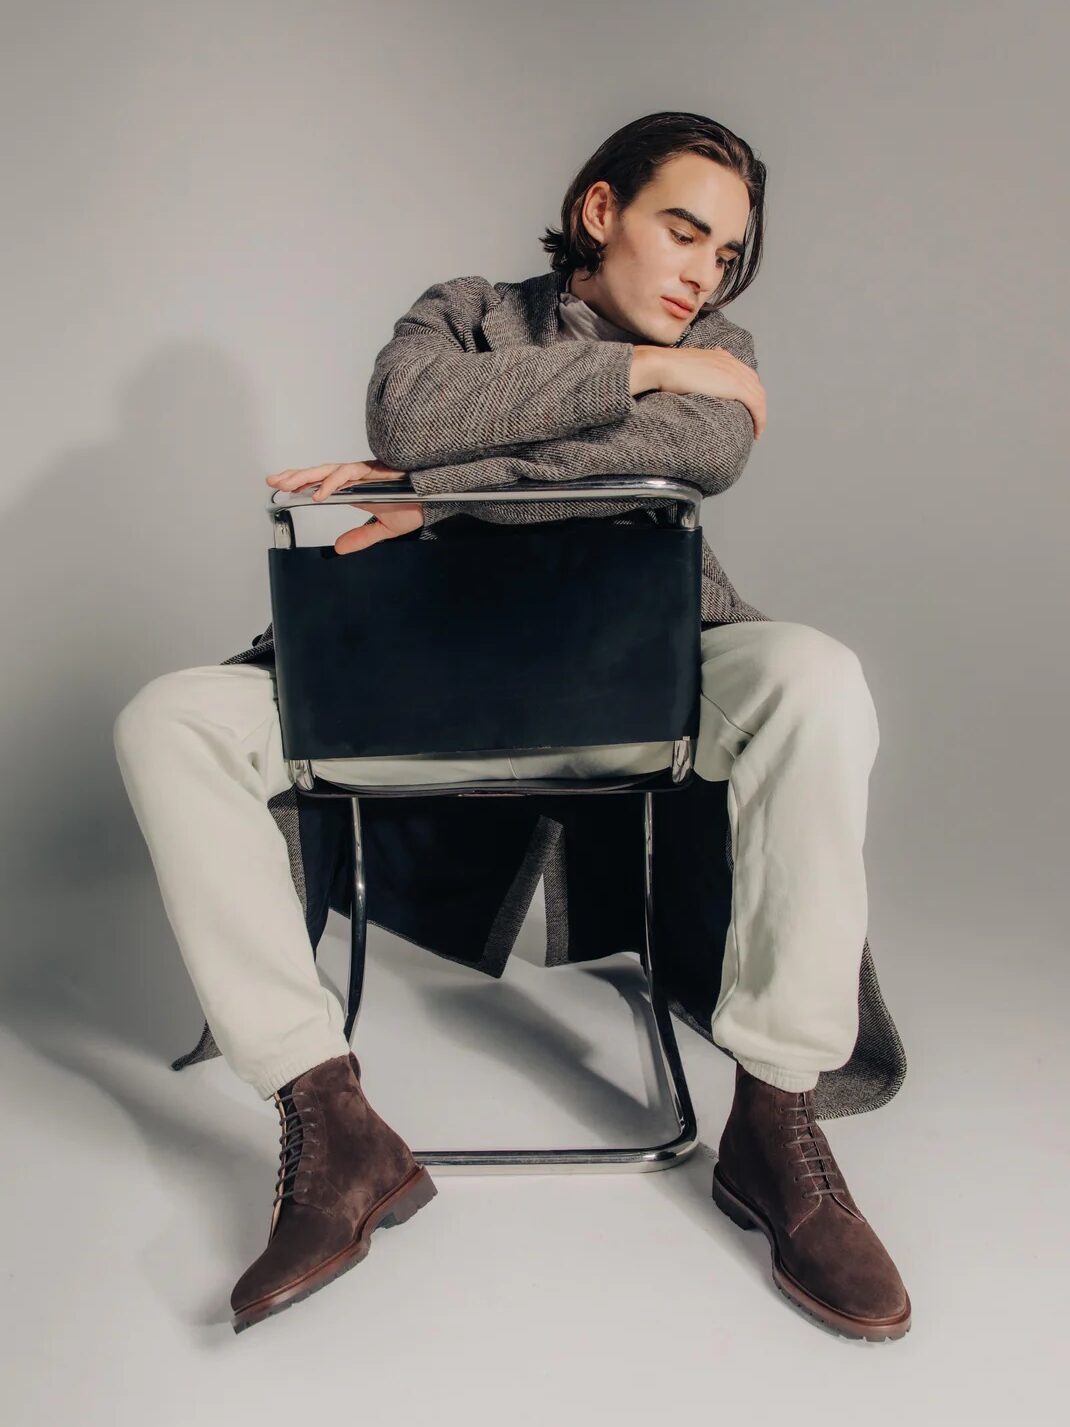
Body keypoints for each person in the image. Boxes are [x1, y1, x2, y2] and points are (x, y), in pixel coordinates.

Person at [113, 111, 910, 1341]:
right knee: (169, 719)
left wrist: (427, 496)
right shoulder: (464, 310)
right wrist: (631, 373)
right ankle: (327, 1124)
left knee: (819, 677)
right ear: (600, 212)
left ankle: (774, 1117)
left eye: (727, 254)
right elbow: (409, 414)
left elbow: (685, 456)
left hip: (644, 668)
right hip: (425, 660)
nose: (704, 276)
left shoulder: (726, 352)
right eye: (681, 231)